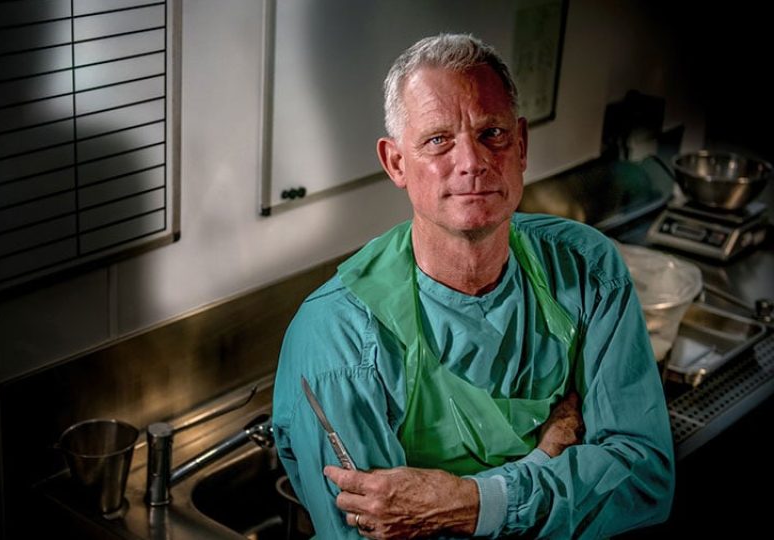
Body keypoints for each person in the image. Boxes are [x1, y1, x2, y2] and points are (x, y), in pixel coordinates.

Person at [272, 33, 674, 538]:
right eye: (439, 140)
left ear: (521, 145)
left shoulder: (586, 270)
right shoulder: (338, 340)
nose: (472, 162)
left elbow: (643, 480)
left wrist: (468, 502)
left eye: (492, 133)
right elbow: (373, 533)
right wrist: (545, 459)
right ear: (396, 162)